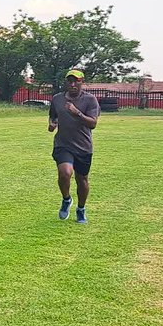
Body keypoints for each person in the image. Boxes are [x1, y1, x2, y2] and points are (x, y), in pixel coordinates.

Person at [48, 69, 100, 224]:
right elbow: (53, 115)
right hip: (63, 144)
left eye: (76, 81)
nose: (72, 84)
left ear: (81, 82)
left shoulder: (90, 100)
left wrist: (76, 112)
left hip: (83, 147)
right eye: (69, 81)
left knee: (81, 179)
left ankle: (81, 209)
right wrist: (52, 123)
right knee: (65, 173)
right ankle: (66, 199)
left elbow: (93, 123)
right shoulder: (57, 99)